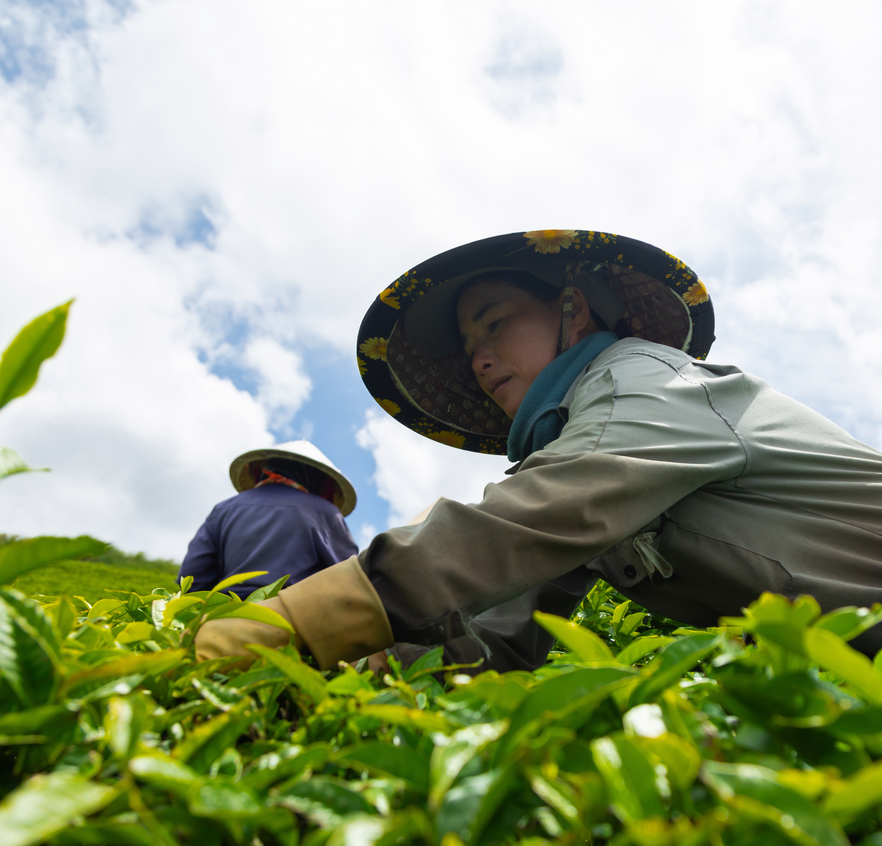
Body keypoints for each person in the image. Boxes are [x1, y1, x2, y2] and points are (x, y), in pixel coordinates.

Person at [192, 229, 882, 669]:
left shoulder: (642, 377)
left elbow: (526, 522)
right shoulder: (580, 456)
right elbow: (499, 626)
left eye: (495, 324)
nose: (480, 360)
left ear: (573, 311)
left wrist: (290, 623)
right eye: (470, 348)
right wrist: (353, 672)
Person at [179, 440, 358, 598]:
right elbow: (353, 581)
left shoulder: (223, 510)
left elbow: (192, 579)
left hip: (223, 616)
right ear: (318, 479)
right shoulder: (324, 512)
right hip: (292, 619)